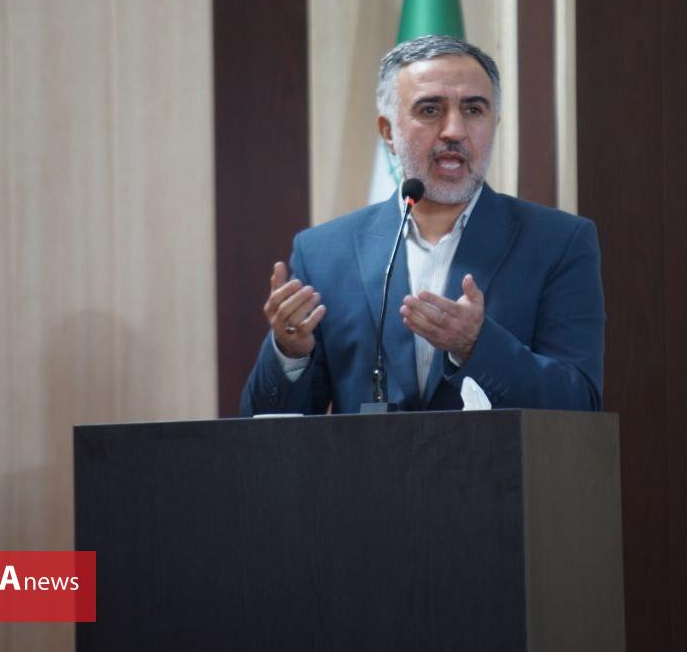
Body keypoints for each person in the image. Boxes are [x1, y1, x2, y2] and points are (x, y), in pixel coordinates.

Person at [240, 35, 604, 414]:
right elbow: (264, 427)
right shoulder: (324, 254)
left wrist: (477, 346)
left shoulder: (558, 243)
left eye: (473, 109)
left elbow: (580, 403)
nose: (454, 131)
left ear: (495, 123)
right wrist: (290, 353)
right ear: (388, 132)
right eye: (430, 110)